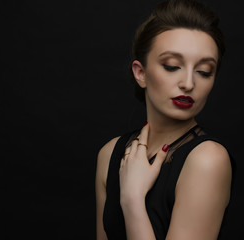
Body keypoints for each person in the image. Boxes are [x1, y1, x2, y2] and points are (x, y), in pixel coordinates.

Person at [95, 0, 233, 239]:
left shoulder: (208, 160)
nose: (189, 83)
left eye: (204, 71)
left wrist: (132, 199)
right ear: (141, 73)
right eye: (172, 66)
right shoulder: (110, 154)